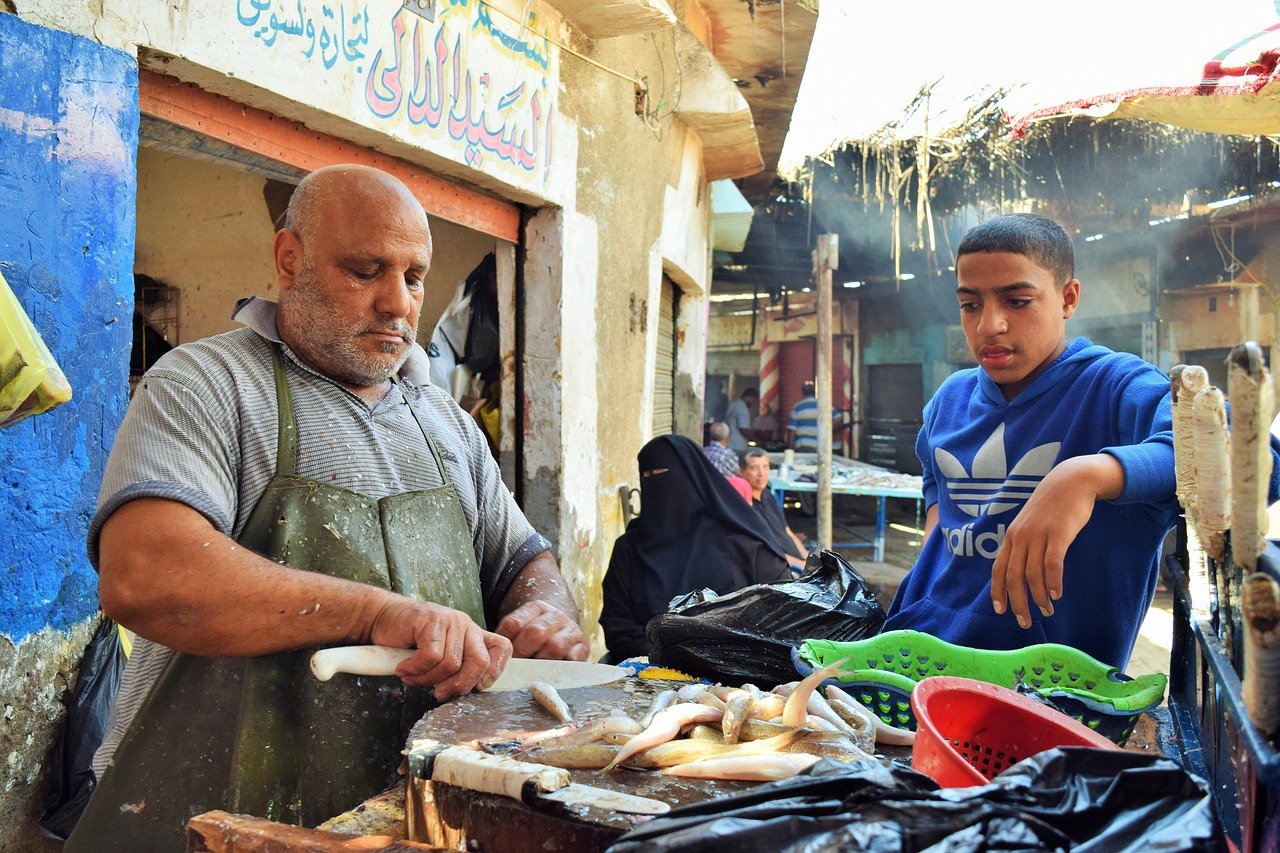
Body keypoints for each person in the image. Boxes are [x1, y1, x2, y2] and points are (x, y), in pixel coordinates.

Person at [67, 165, 589, 850]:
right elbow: (146, 575)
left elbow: (525, 558)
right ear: (290, 260)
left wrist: (545, 610)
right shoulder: (205, 384)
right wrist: (375, 613)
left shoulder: (445, 423)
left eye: (413, 276)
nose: (397, 303)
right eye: (366, 269)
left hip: (403, 824)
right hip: (204, 822)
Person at [882, 212, 1279, 670]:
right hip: (916, 660)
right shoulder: (948, 399)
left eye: (1016, 301)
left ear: (1068, 298)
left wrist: (1089, 475)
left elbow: (1251, 461)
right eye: (970, 305)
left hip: (1046, 688)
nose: (989, 325)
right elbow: (939, 508)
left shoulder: (1115, 387)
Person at [600, 435, 790, 661]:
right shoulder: (629, 549)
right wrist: (672, 656)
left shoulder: (745, 544)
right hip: (650, 676)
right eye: (647, 477)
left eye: (663, 475)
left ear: (691, 478)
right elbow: (618, 629)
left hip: (739, 682)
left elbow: (781, 617)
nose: (656, 485)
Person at [739, 447, 808, 573]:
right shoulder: (744, 506)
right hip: (782, 569)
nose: (761, 473)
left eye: (765, 467)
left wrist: (808, 559)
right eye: (754, 468)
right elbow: (766, 551)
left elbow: (787, 532)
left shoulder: (768, 495)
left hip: (799, 563)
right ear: (742, 472)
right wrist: (801, 566)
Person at [786, 380, 840, 452]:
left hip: (802, 443)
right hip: (820, 444)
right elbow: (839, 417)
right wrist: (827, 427)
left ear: (802, 393)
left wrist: (789, 448)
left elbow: (792, 430)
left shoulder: (797, 407)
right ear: (815, 392)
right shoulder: (823, 405)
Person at [724, 387, 758, 453]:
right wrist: (756, 441)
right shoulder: (742, 408)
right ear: (749, 397)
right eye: (754, 400)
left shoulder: (734, 404)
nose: (753, 404)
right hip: (738, 446)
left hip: (729, 443)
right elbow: (743, 429)